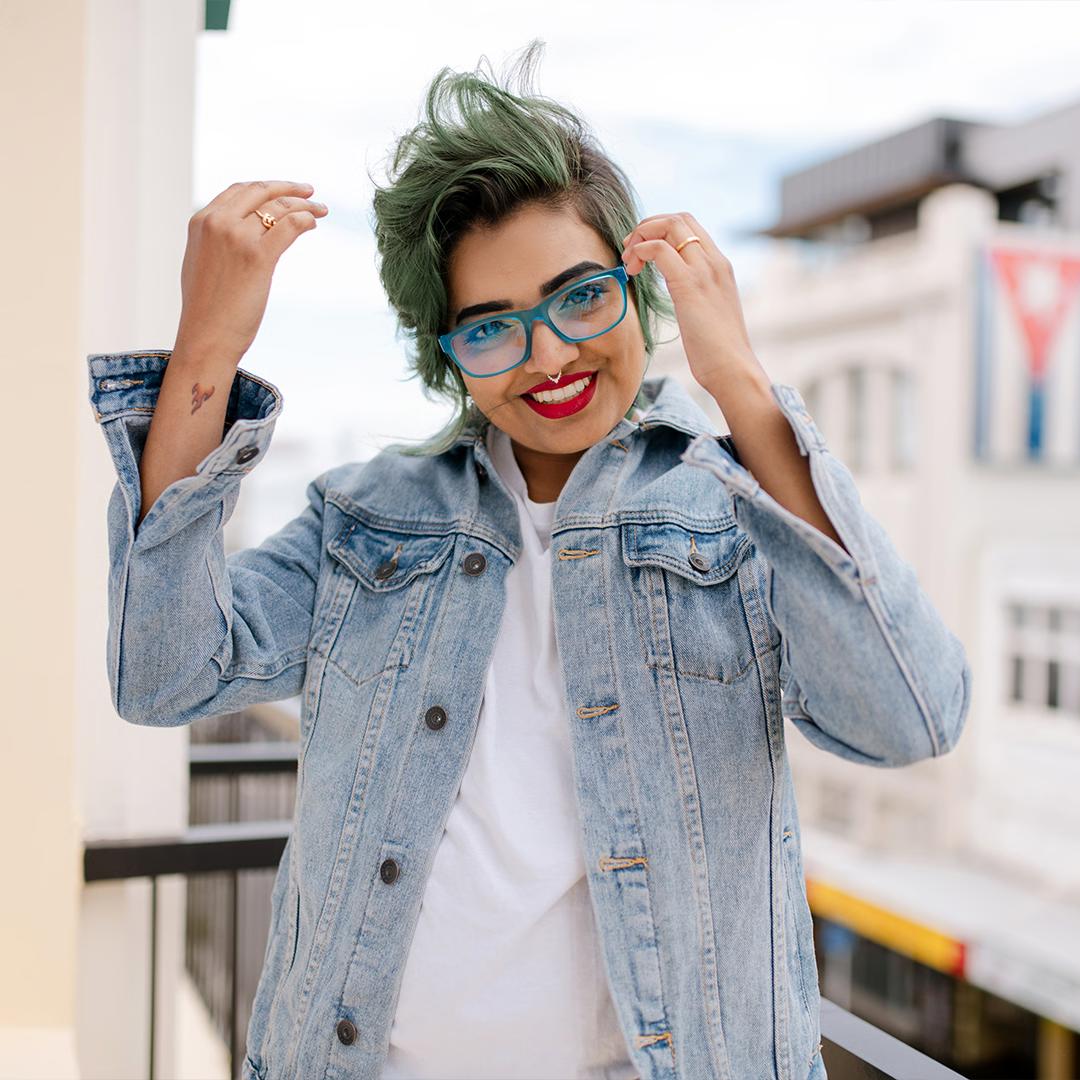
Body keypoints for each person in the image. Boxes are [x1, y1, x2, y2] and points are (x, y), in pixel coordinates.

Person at [86, 40, 970, 1080]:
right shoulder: (368, 518)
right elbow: (164, 675)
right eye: (492, 329)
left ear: (639, 289)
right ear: (449, 357)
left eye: (581, 297)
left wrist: (739, 381)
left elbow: (910, 717)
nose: (549, 356)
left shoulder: (736, 514)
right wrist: (207, 349)